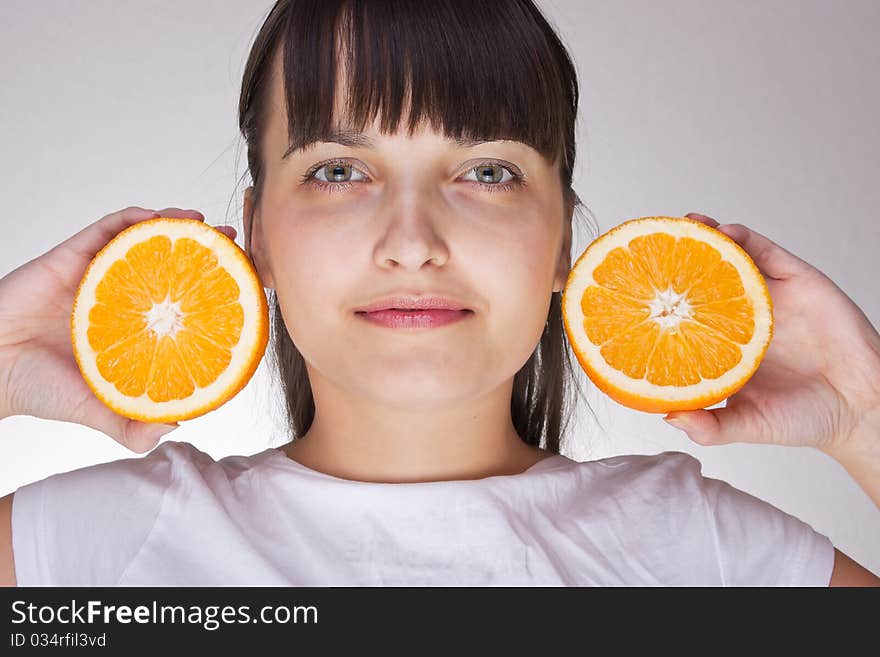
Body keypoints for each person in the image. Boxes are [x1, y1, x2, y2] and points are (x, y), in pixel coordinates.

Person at [0, 0, 878, 586]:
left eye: (487, 171)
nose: (412, 243)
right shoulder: (94, 554)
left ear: (566, 238)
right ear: (256, 233)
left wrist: (864, 412)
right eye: (340, 170)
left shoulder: (705, 558)